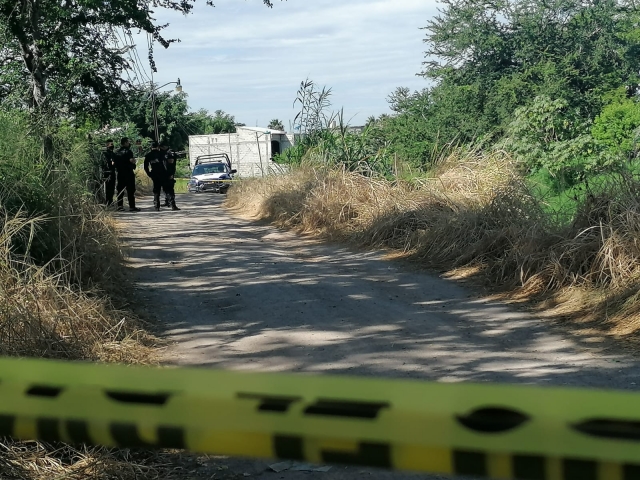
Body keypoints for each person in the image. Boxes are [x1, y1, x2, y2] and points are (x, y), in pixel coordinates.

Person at [115, 137, 140, 212]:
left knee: (120, 190)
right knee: (131, 190)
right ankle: (132, 206)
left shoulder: (117, 152)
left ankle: (120, 206)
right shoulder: (128, 152)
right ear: (125, 143)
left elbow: (115, 164)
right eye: (128, 142)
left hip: (120, 173)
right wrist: (133, 163)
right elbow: (132, 161)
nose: (129, 144)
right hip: (128, 173)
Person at [144, 142, 169, 211]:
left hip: (154, 174)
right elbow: (166, 164)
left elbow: (145, 166)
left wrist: (149, 174)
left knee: (156, 190)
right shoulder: (162, 154)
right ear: (158, 147)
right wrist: (167, 173)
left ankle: (156, 205)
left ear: (151, 147)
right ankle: (169, 202)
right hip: (162, 173)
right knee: (166, 188)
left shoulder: (148, 155)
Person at [160, 143, 180, 210]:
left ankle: (172, 204)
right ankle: (169, 202)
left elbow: (170, 164)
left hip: (168, 174)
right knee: (166, 189)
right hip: (165, 174)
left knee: (169, 190)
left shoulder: (169, 153)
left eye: (161, 147)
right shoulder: (164, 153)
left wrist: (171, 174)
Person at [103, 139, 116, 206]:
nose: (112, 146)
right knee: (107, 188)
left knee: (112, 188)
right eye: (111, 144)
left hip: (113, 172)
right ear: (107, 145)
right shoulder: (105, 154)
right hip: (107, 173)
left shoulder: (113, 154)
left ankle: (111, 201)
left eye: (112, 144)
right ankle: (108, 202)